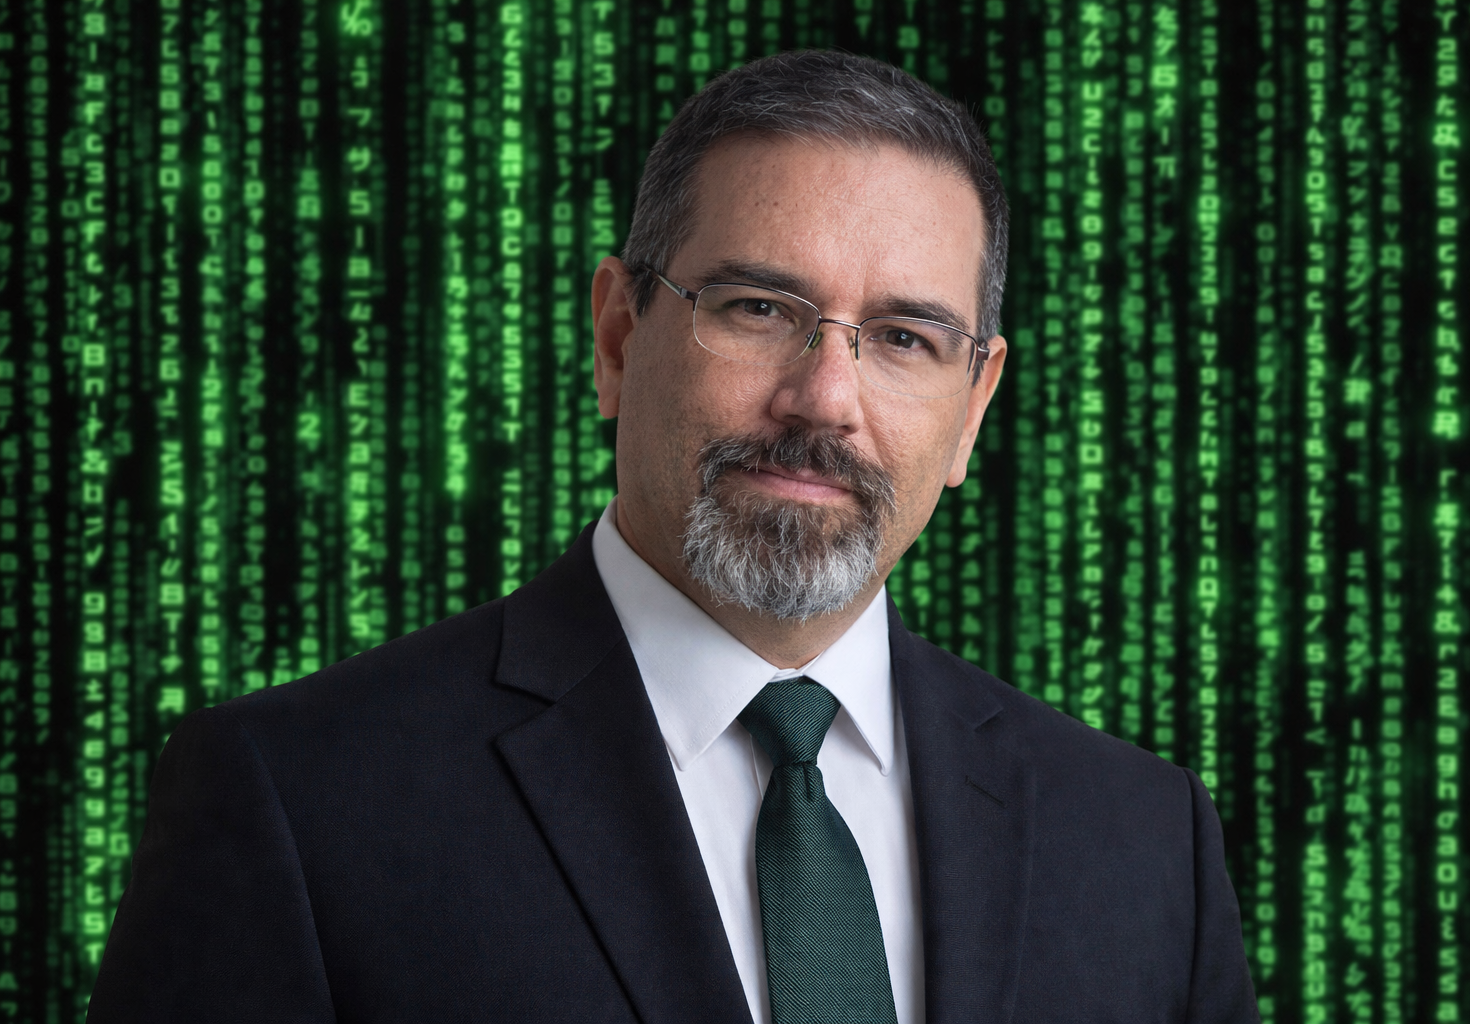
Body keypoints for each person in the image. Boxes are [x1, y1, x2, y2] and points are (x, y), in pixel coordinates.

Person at [88, 50, 1259, 1024]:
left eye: (904, 337)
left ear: (974, 407)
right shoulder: (301, 802)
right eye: (758, 309)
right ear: (615, 333)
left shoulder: (1144, 842)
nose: (825, 399)